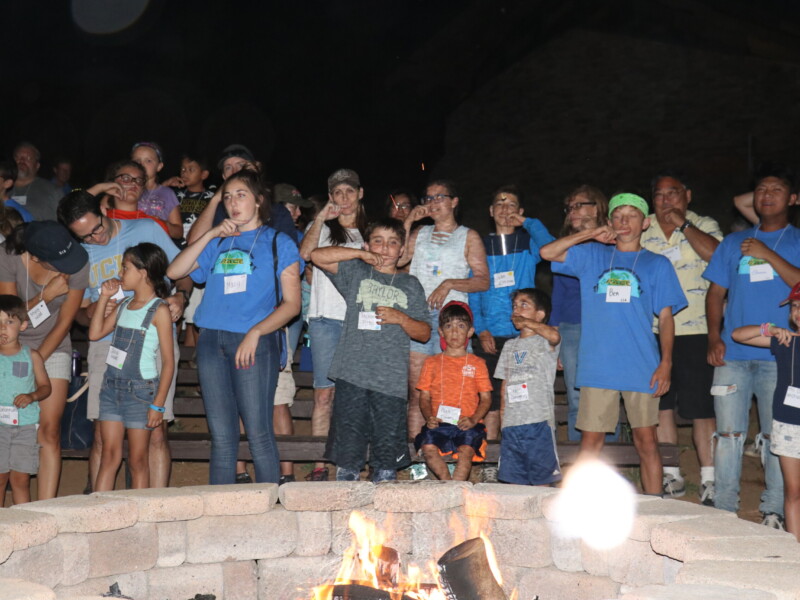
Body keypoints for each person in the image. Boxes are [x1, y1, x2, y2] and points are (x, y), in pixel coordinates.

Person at [541, 193, 687, 495]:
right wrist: (591, 233)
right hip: (598, 365)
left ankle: (654, 508)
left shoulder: (656, 264)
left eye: (632, 215)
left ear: (645, 223)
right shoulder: (592, 254)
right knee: (591, 443)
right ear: (609, 221)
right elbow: (547, 252)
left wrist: (666, 363)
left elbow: (667, 318)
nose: (624, 221)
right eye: (618, 215)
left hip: (641, 365)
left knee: (647, 441)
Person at [166, 169, 301, 484]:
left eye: (240, 194)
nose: (233, 202)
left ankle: (268, 505)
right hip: (212, 341)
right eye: (227, 196)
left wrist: (256, 332)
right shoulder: (218, 243)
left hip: (254, 341)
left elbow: (293, 304)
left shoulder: (278, 241)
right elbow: (175, 271)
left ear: (258, 200)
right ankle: (222, 510)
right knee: (223, 436)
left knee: (258, 432)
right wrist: (211, 234)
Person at [57, 189, 190, 491]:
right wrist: (99, 305)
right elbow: (80, 316)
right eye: (85, 236)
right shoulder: (77, 256)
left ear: (104, 210)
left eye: (97, 228)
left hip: (151, 343)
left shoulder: (144, 230)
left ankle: (154, 505)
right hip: (108, 345)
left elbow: (184, 270)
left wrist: (181, 295)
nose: (96, 239)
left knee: (154, 435)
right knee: (103, 438)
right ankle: (100, 506)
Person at [703, 162, 800, 529]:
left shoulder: (796, 240)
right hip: (734, 354)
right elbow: (715, 294)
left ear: (792, 199)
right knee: (729, 434)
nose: (767, 195)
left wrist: (766, 253)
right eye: (761, 190)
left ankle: (773, 509)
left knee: (778, 436)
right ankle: (726, 509)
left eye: (776, 189)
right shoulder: (731, 244)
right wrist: (714, 337)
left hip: (783, 356)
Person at [311, 217, 430, 481]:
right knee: (348, 456)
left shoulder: (410, 284)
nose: (384, 248)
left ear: (401, 250)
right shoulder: (356, 273)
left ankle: (384, 496)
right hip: (352, 370)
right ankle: (347, 493)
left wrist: (402, 318)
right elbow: (317, 256)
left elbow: (424, 333)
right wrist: (360, 254)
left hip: (389, 378)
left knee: (386, 459)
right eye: (378, 241)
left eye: (392, 243)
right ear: (368, 244)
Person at [640, 172, 722, 504]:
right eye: (659, 195)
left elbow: (719, 257)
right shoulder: (642, 228)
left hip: (697, 329)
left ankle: (710, 479)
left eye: (672, 194)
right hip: (652, 332)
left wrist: (684, 226)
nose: (665, 201)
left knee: (702, 408)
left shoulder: (705, 223)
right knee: (662, 405)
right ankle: (671, 474)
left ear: (687, 195)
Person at [0, 221, 89, 500]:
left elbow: (65, 320)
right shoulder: (8, 256)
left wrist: (35, 361)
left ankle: (48, 505)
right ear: (36, 256)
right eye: (59, 261)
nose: (68, 265)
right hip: (10, 343)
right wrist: (45, 296)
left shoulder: (78, 261)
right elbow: (7, 314)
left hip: (53, 346)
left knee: (49, 429)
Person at [469, 184, 554, 461]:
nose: (505, 210)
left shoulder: (528, 245)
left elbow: (550, 248)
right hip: (490, 337)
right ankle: (491, 458)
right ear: (491, 211)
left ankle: (515, 457)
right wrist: (481, 328)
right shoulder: (480, 246)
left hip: (523, 337)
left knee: (517, 399)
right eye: (500, 205)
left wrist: (528, 223)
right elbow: (474, 289)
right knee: (490, 401)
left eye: (512, 205)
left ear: (519, 211)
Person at [401, 180, 489, 437]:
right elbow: (400, 259)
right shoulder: (420, 234)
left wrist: (449, 283)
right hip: (419, 316)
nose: (433, 202)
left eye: (440, 197)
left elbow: (483, 280)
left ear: (454, 201)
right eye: (428, 198)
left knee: (457, 387)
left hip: (451, 318)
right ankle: (419, 457)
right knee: (419, 390)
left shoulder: (468, 236)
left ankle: (455, 452)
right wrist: (408, 222)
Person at [299, 168, 368, 481]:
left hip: (360, 321)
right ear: (330, 197)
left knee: (353, 396)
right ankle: (318, 464)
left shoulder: (371, 231)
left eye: (350, 192)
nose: (344, 198)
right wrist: (320, 218)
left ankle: (348, 461)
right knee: (324, 396)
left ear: (360, 193)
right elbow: (304, 253)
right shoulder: (323, 230)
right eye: (338, 193)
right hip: (325, 319)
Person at [88, 243, 175, 491]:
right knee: (109, 456)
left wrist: (158, 405)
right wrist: (104, 297)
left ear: (143, 272)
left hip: (141, 392)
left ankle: (141, 518)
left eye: (125, 267)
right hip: (111, 388)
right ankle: (101, 515)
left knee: (138, 461)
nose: (121, 273)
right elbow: (95, 334)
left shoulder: (159, 310)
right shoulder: (123, 306)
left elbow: (168, 362)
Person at [732, 283, 800, 541]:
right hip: (788, 424)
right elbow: (738, 335)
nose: (798, 312)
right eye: (794, 307)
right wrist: (769, 329)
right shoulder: (785, 341)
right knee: (793, 491)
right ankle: (795, 553)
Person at [551, 185, 612, 443]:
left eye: (579, 205)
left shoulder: (615, 242)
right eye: (570, 207)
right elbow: (559, 293)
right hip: (572, 327)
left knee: (606, 394)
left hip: (606, 328)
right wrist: (554, 335)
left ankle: (611, 460)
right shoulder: (568, 247)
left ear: (597, 207)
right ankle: (581, 463)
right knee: (576, 395)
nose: (572, 211)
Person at [415, 301, 492, 481]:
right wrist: (429, 417)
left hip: (467, 422)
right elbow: (424, 396)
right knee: (428, 447)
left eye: (461, 326)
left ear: (470, 332)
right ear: (441, 332)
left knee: (466, 451)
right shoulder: (432, 363)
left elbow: (486, 398)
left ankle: (456, 487)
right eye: (448, 326)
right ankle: (447, 483)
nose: (455, 332)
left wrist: (474, 419)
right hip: (439, 422)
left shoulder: (477, 363)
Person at [495, 288, 561, 486]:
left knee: (542, 477)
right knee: (514, 479)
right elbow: (504, 384)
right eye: (515, 306)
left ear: (540, 314)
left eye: (524, 305)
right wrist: (502, 419)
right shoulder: (509, 346)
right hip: (512, 423)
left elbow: (555, 337)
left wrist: (528, 323)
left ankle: (543, 516)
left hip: (538, 420)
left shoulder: (545, 340)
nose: (517, 310)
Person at [0, 295, 51, 505]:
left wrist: (32, 396)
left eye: (9, 322)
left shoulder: (32, 356)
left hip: (25, 426)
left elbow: (46, 387)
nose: (3, 328)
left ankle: (24, 527)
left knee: (20, 480)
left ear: (22, 325)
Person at [96, 160, 170, 234]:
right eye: (126, 178)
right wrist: (99, 188)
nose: (133, 183)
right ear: (112, 183)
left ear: (142, 189)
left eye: (139, 180)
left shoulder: (153, 224)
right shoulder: (99, 219)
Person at [131, 142, 183, 239]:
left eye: (148, 161)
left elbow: (179, 232)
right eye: (137, 161)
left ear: (159, 166)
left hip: (156, 247)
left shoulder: (167, 193)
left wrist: (161, 223)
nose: (141, 165)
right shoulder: (126, 190)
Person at [10, 143, 61, 221]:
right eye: (18, 157)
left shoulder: (53, 191)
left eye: (28, 158)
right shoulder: (2, 187)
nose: (22, 161)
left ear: (37, 165)